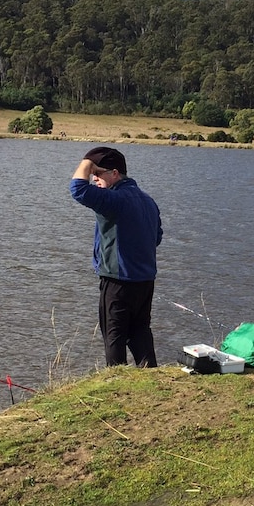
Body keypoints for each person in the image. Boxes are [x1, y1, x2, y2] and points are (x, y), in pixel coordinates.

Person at [70, 147, 163, 367]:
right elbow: (156, 238)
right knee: (140, 332)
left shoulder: (114, 200)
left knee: (114, 336)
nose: (94, 179)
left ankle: (114, 384)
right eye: (93, 174)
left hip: (118, 283)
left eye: (98, 173)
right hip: (145, 282)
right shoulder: (148, 201)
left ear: (114, 173)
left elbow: (77, 189)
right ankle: (151, 378)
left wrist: (86, 161)